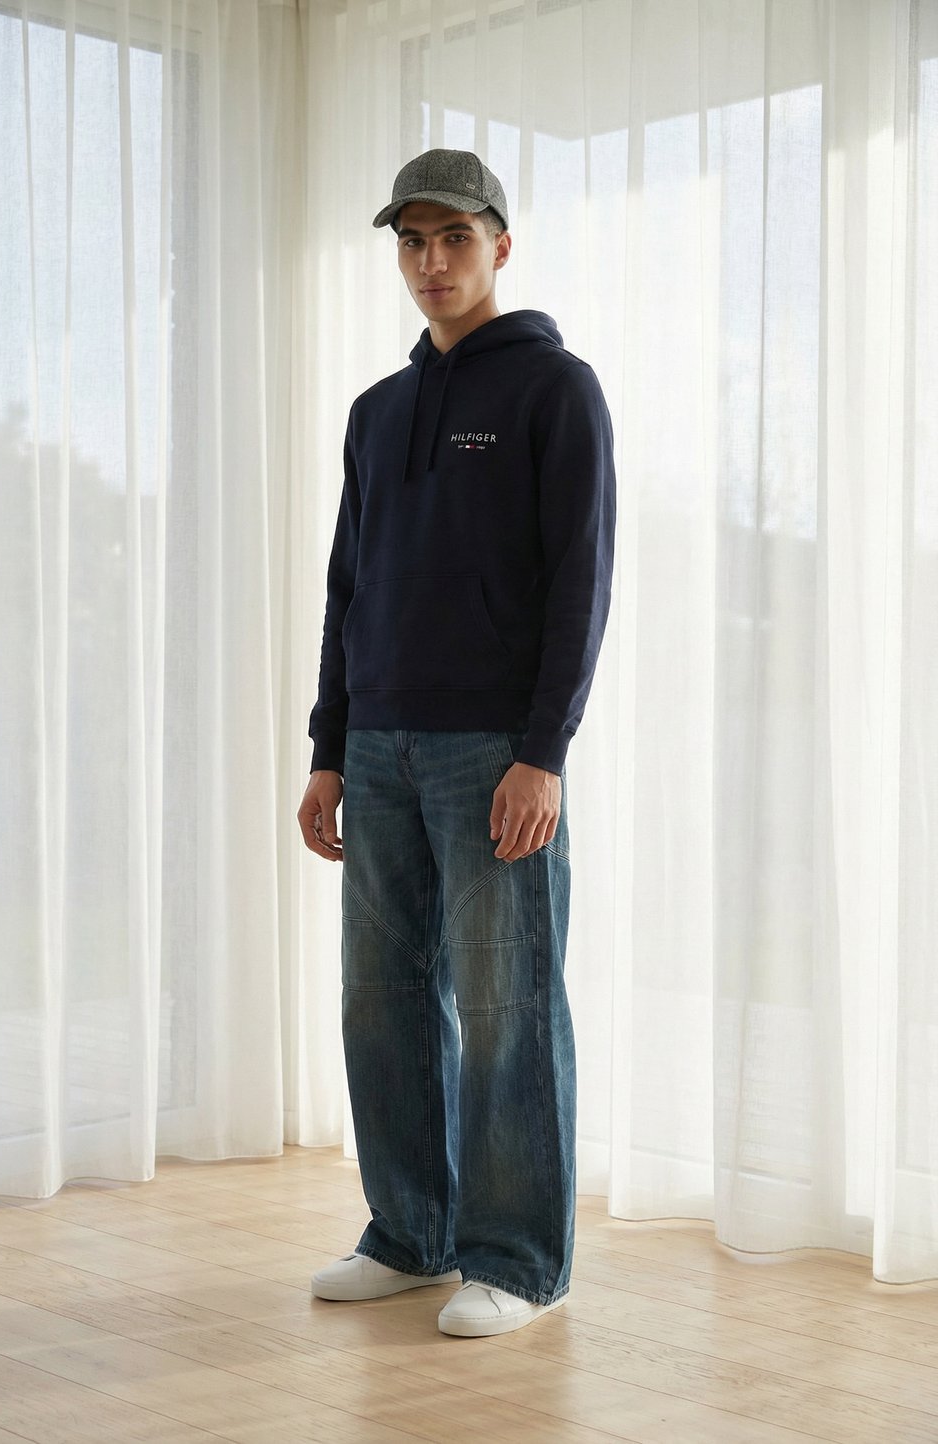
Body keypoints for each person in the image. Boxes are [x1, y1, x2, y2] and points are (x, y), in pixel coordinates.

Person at [297, 149, 616, 1338]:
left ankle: (519, 1259)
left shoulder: (555, 389)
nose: (431, 261)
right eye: (412, 241)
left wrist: (545, 750)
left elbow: (580, 579)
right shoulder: (376, 412)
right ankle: (410, 1234)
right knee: (380, 1001)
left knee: (505, 1004)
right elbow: (349, 588)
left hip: (493, 749)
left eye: (455, 238)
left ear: (500, 246)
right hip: (379, 742)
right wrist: (329, 746)